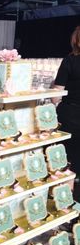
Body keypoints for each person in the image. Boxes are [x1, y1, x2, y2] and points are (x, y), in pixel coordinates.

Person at [53, 26, 80, 180]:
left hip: (70, 114)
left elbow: (56, 96)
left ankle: (67, 178)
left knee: (66, 150)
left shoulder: (70, 60)